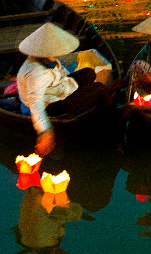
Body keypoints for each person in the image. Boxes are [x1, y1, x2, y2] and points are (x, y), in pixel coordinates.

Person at [16, 22, 113, 155]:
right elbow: (36, 103)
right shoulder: (37, 73)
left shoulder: (47, 60)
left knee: (88, 72)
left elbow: (62, 75)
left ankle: (91, 99)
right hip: (51, 106)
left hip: (58, 90)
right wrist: (45, 131)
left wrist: (78, 87)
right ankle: (111, 119)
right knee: (100, 89)